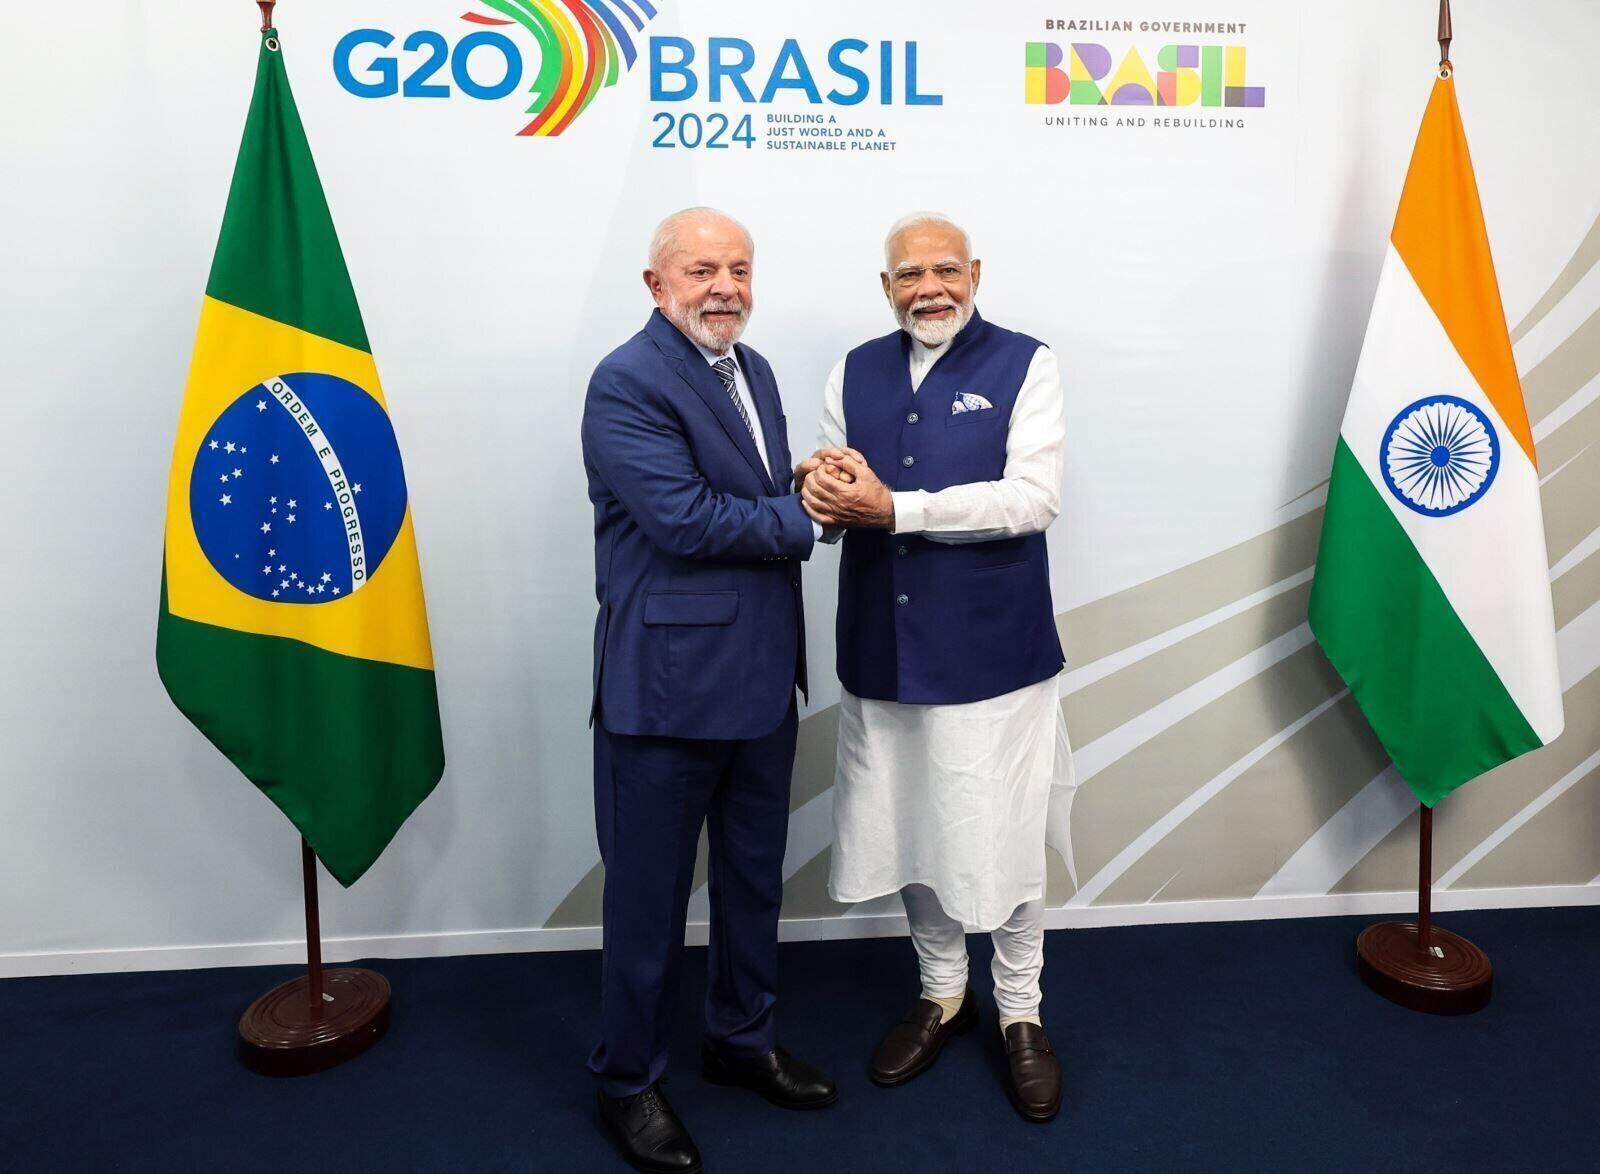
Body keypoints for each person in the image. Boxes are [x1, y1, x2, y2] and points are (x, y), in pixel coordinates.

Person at [798, 211, 1074, 1123]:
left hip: (995, 652)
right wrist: (820, 495)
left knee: (1007, 832)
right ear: (887, 288)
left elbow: (1033, 499)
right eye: (910, 275)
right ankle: (942, 991)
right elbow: (837, 506)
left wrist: (898, 509)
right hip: (882, 643)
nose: (930, 289)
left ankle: (1022, 1011)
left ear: (975, 274)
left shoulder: (1027, 363)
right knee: (910, 823)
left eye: (946, 270)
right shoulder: (852, 370)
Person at [580, 207, 837, 1173]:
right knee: (647, 906)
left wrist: (806, 478)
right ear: (658, 285)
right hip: (667, 693)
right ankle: (628, 1081)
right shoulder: (627, 380)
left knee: (753, 883)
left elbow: (748, 489)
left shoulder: (752, 369)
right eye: (701, 270)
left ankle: (740, 1039)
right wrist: (813, 514)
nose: (724, 286)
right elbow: (685, 519)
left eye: (739, 268)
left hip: (763, 683)